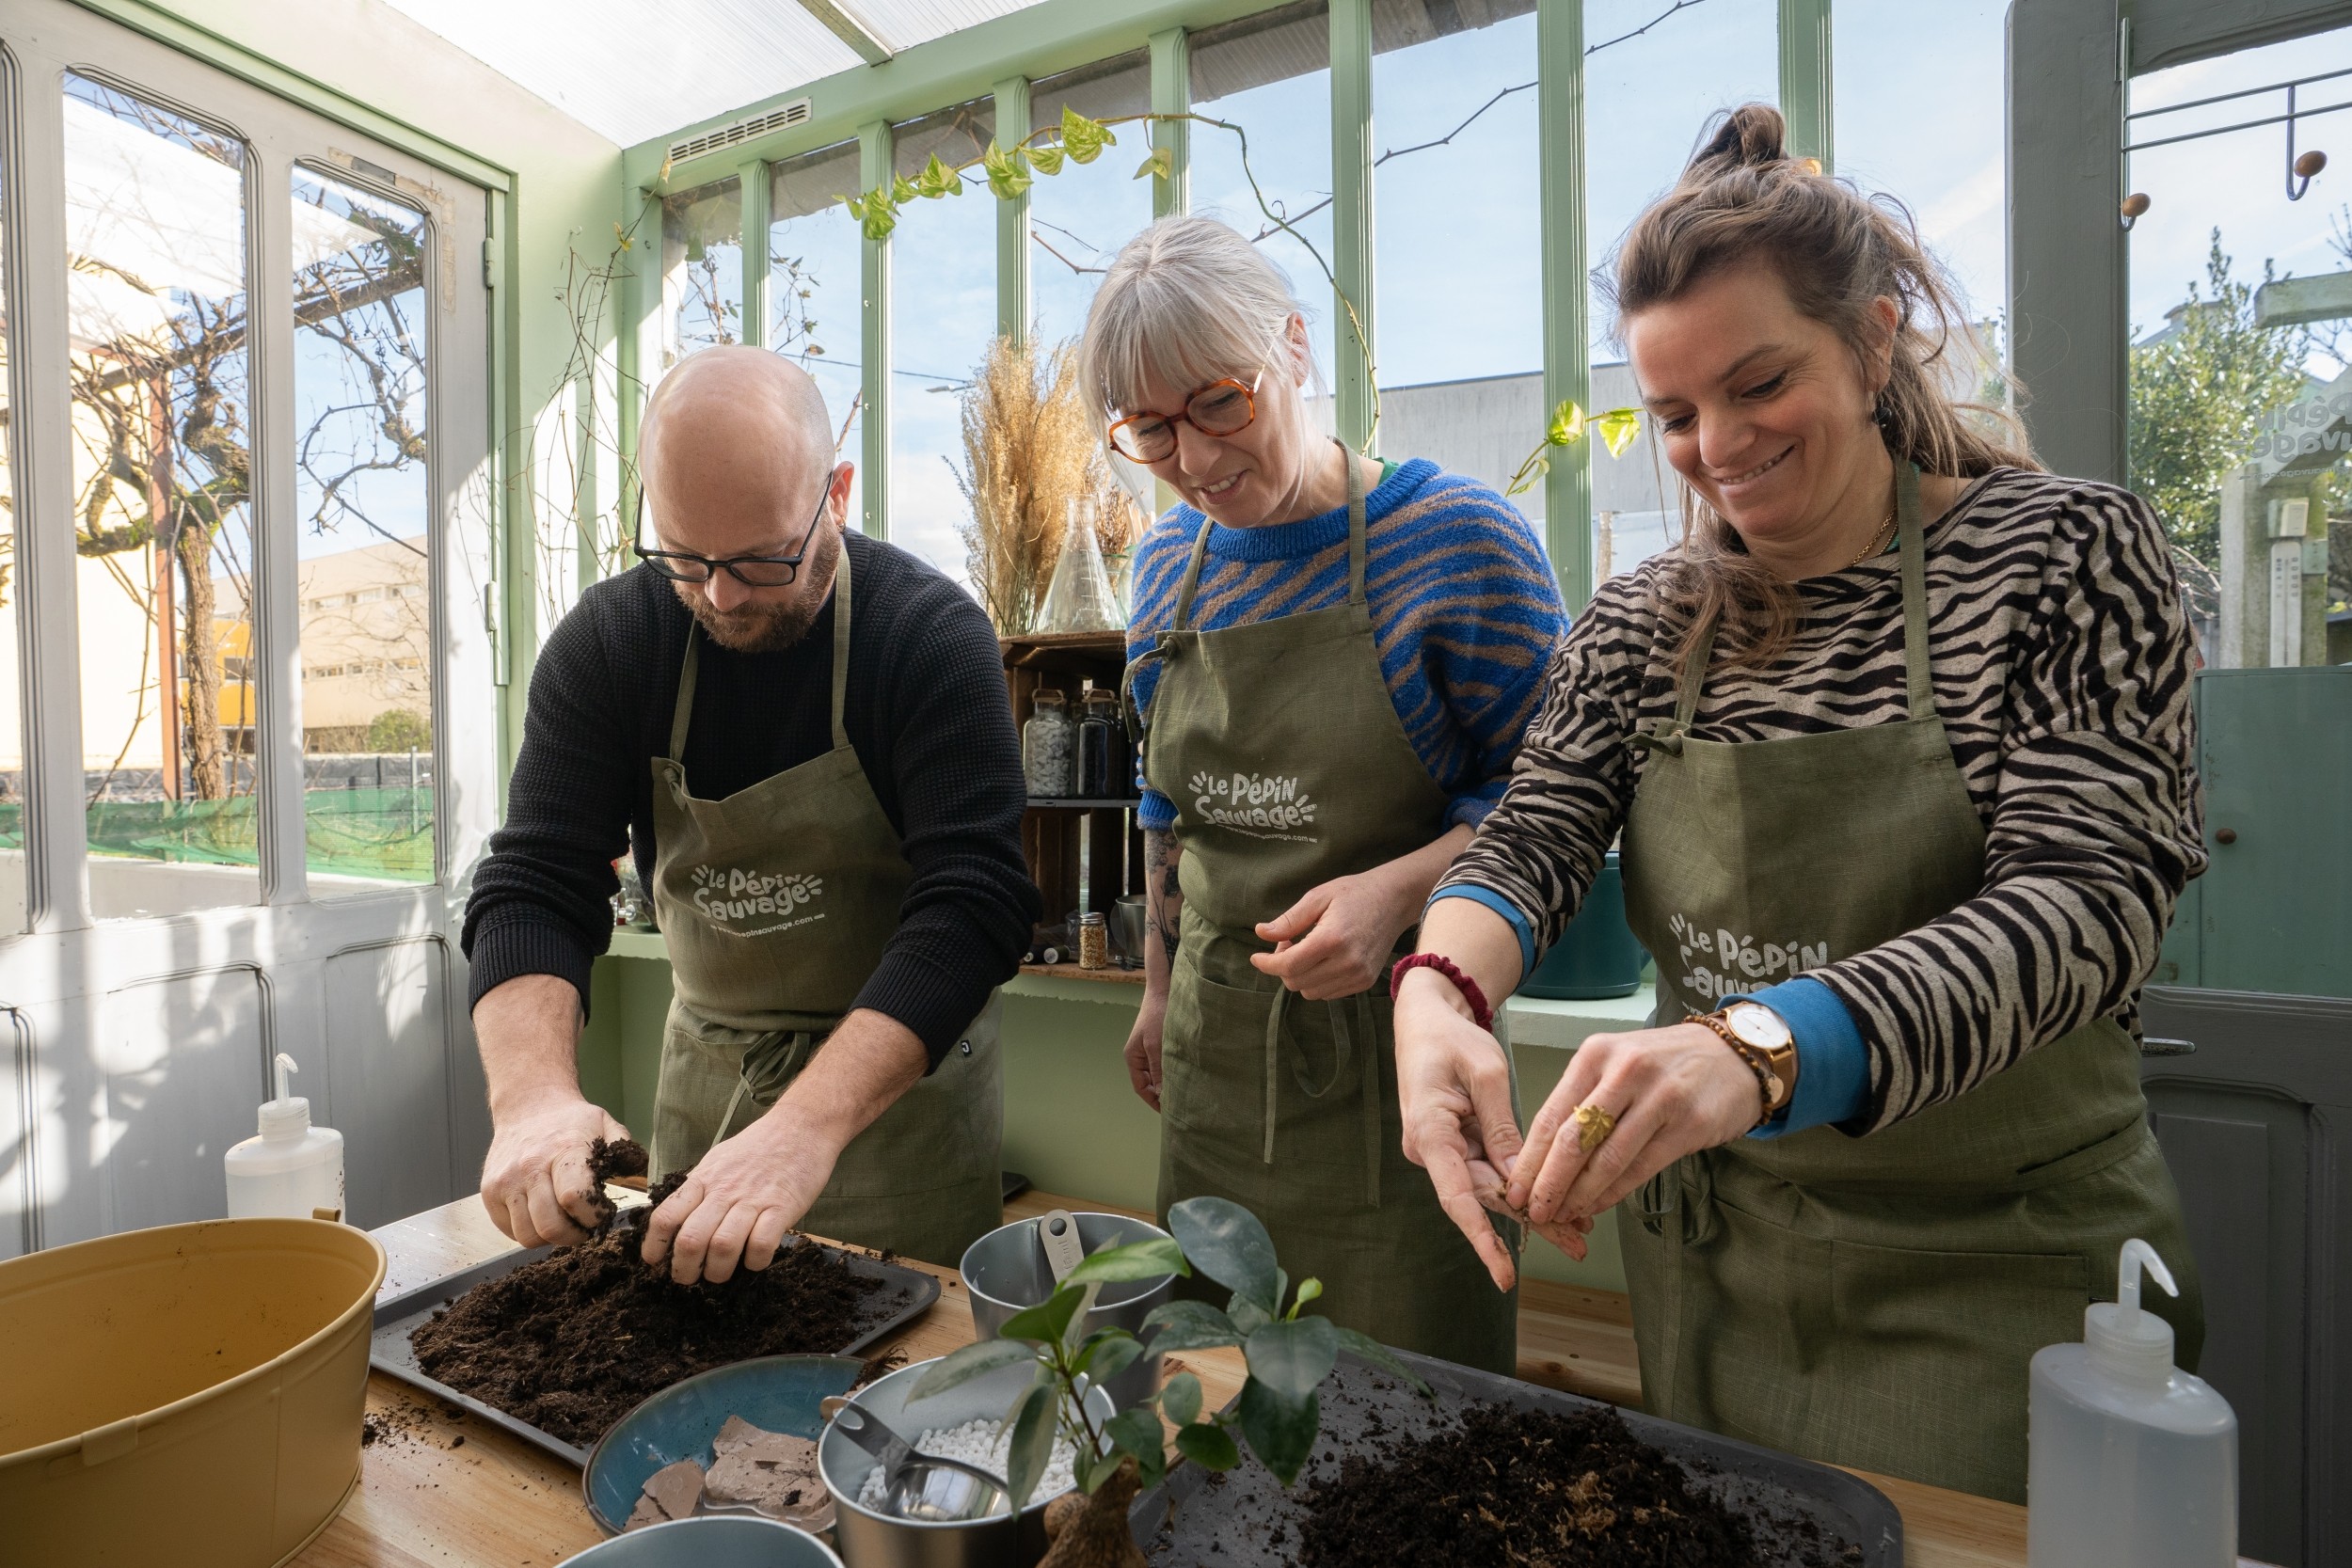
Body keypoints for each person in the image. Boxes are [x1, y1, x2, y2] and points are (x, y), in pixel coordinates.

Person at [1391, 104, 2206, 1502]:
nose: (1716, 446)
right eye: (1675, 415)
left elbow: (2085, 908)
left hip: (1995, 1276)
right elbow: (1532, 838)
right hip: (1723, 1268)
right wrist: (1435, 993)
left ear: (1876, 339)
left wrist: (1763, 1046)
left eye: (1759, 383)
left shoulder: (2066, 554)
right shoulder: (1645, 621)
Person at [1099, 214, 1569, 1373]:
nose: (1197, 460)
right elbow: (1168, 807)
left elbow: (1559, 797)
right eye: (1150, 430)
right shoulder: (1168, 567)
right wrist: (1158, 990)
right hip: (1216, 1059)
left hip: (1401, 1069)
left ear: (1295, 349)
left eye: (1221, 401)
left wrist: (1397, 891)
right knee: (1218, 1406)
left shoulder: (1458, 542)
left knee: (1412, 1413)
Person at [462, 347, 1039, 1278]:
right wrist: (531, 1098)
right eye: (686, 557)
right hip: (710, 1088)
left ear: (835, 493)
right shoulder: (612, 644)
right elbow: (534, 879)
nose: (722, 595)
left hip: (899, 1108)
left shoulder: (926, 635)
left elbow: (974, 904)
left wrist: (801, 1132)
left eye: (763, 559)